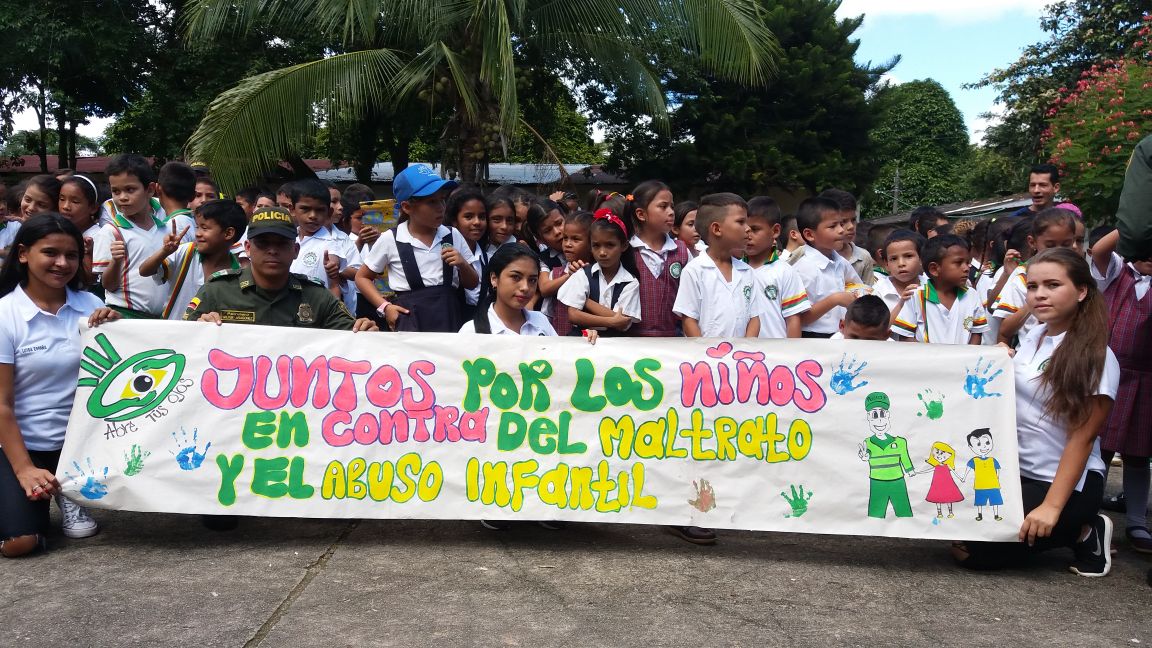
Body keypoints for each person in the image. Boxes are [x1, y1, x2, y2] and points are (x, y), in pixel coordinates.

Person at [954, 248, 1119, 577]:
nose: (1040, 294)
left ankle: (1086, 530)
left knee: (973, 553)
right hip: (1015, 470)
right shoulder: (1034, 336)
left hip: (1063, 482)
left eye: (1053, 285)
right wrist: (999, 359)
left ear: (1082, 291)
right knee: (947, 523)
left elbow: (1083, 439)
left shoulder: (1097, 357)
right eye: (1032, 286)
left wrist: (1051, 507)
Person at [0, 213, 120, 557]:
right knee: (19, 544)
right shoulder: (5, 315)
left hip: (80, 443)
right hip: (22, 446)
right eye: (50, 253)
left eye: (71, 255)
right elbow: (1, 404)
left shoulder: (92, 306)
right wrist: (23, 469)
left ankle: (68, 491)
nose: (62, 263)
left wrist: (120, 328)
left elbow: (116, 375)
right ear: (24, 254)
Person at [185, 206, 377, 331]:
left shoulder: (317, 296)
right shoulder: (217, 291)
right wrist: (200, 328)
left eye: (281, 244)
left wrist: (365, 329)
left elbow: (352, 335)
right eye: (263, 243)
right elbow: (180, 337)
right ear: (248, 249)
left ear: (295, 251)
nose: (272, 251)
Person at [355, 165, 478, 332]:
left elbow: (472, 283)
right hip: (409, 321)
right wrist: (385, 307)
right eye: (431, 202)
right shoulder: (391, 239)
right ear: (407, 207)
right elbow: (362, 277)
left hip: (449, 318)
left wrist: (462, 264)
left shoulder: (452, 235)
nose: (441, 207)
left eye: (442, 200)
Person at [1089, 228, 1152, 554]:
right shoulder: (1115, 271)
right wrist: (1138, 218)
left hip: (1147, 379)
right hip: (1107, 374)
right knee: (1098, 449)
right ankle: (1090, 516)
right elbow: (1099, 249)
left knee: (1139, 454)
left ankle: (1137, 522)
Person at [673, 192, 765, 339]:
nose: (748, 228)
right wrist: (704, 354)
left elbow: (754, 318)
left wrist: (747, 349)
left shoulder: (747, 271)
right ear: (716, 229)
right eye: (741, 222)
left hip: (740, 357)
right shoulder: (694, 271)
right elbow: (689, 320)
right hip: (706, 358)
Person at [93, 154, 170, 318]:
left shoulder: (166, 229)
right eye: (116, 191)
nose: (122, 197)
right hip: (124, 315)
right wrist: (115, 261)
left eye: (130, 190)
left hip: (164, 319)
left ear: (150, 190)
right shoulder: (110, 232)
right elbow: (108, 285)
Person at [140, 200, 245, 320]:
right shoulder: (186, 252)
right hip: (172, 335)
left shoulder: (236, 275)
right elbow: (144, 271)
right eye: (197, 227)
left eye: (204, 228)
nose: (198, 234)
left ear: (228, 233)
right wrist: (165, 251)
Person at [993, 207, 1079, 346]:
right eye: (1050, 245)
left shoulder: (1078, 274)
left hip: (1071, 354)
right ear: (1032, 242)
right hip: (1031, 358)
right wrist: (1032, 302)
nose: (1057, 251)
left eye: (1065, 244)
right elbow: (1004, 330)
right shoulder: (1022, 277)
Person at [892, 234, 989, 345]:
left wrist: (967, 356)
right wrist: (933, 356)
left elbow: (977, 333)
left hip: (964, 361)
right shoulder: (916, 296)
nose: (966, 268)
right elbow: (904, 336)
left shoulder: (972, 295)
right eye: (958, 263)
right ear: (934, 269)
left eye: (967, 263)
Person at [557, 209, 641, 336]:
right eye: (596, 245)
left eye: (610, 245)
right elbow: (573, 315)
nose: (602, 252)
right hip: (582, 340)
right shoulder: (583, 274)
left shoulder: (630, 282)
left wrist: (585, 301)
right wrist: (612, 321)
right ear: (590, 247)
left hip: (615, 346)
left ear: (623, 246)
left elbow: (624, 322)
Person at [626, 181, 693, 337]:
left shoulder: (681, 251)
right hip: (631, 340)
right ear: (641, 214)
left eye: (672, 206)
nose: (671, 212)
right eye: (663, 206)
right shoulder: (626, 250)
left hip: (673, 338)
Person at [790, 197, 862, 338]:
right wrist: (835, 299)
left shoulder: (841, 262)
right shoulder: (804, 269)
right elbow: (799, 318)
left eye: (841, 224)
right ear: (810, 234)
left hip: (841, 336)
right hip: (813, 338)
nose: (841, 230)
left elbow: (859, 286)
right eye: (832, 226)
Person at [745, 196, 809, 338]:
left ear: (775, 231)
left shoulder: (785, 272)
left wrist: (790, 356)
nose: (748, 235)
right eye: (745, 229)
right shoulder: (734, 269)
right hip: (739, 353)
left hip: (775, 355)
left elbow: (793, 320)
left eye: (755, 229)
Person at [857, 391, 916, 518]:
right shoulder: (868, 442)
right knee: (875, 514)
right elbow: (865, 453)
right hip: (877, 482)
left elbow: (904, 457)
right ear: (868, 417)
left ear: (887, 415)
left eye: (882, 414)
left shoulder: (900, 442)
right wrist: (865, 457)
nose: (879, 419)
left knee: (904, 511)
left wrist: (910, 470)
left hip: (898, 481)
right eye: (874, 415)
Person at [288, 179, 343, 298]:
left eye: (319, 210)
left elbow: (334, 286)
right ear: (292, 209)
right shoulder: (288, 238)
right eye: (305, 209)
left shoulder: (330, 244)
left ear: (329, 212)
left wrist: (333, 269)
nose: (313, 216)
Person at [544, 210, 593, 334]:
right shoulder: (555, 275)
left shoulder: (599, 275)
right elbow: (547, 314)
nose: (567, 244)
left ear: (592, 243)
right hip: (562, 345)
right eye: (565, 238)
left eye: (576, 239)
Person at [447, 188, 488, 322]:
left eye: (482, 217)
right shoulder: (446, 256)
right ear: (454, 221)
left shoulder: (487, 257)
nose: (477, 222)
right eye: (468, 217)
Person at [819, 188, 875, 285]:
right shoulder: (804, 254)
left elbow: (870, 293)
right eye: (843, 222)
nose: (851, 227)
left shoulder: (864, 257)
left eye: (853, 220)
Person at [1, 175, 62, 264]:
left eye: (41, 205)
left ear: (55, 209)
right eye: (27, 199)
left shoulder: (53, 236)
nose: (31, 208)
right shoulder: (18, 226)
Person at [57, 175, 104, 285]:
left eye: (75, 201)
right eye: (62, 199)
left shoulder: (99, 235)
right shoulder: (60, 231)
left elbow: (89, 279)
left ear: (93, 208)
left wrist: (88, 252)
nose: (65, 206)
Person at [871, 229, 924, 319]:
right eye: (894, 258)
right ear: (886, 264)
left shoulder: (932, 286)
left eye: (908, 256)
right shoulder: (879, 292)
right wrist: (901, 304)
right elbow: (877, 328)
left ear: (921, 259)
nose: (901, 263)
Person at [916, 441, 964, 519]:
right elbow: (927, 470)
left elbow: (954, 472)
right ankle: (939, 513)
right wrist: (918, 472)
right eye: (937, 452)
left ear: (949, 456)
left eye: (943, 454)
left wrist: (960, 478)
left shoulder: (947, 466)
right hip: (937, 485)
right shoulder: (936, 466)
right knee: (937, 498)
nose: (939, 456)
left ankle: (950, 512)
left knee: (949, 498)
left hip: (948, 484)